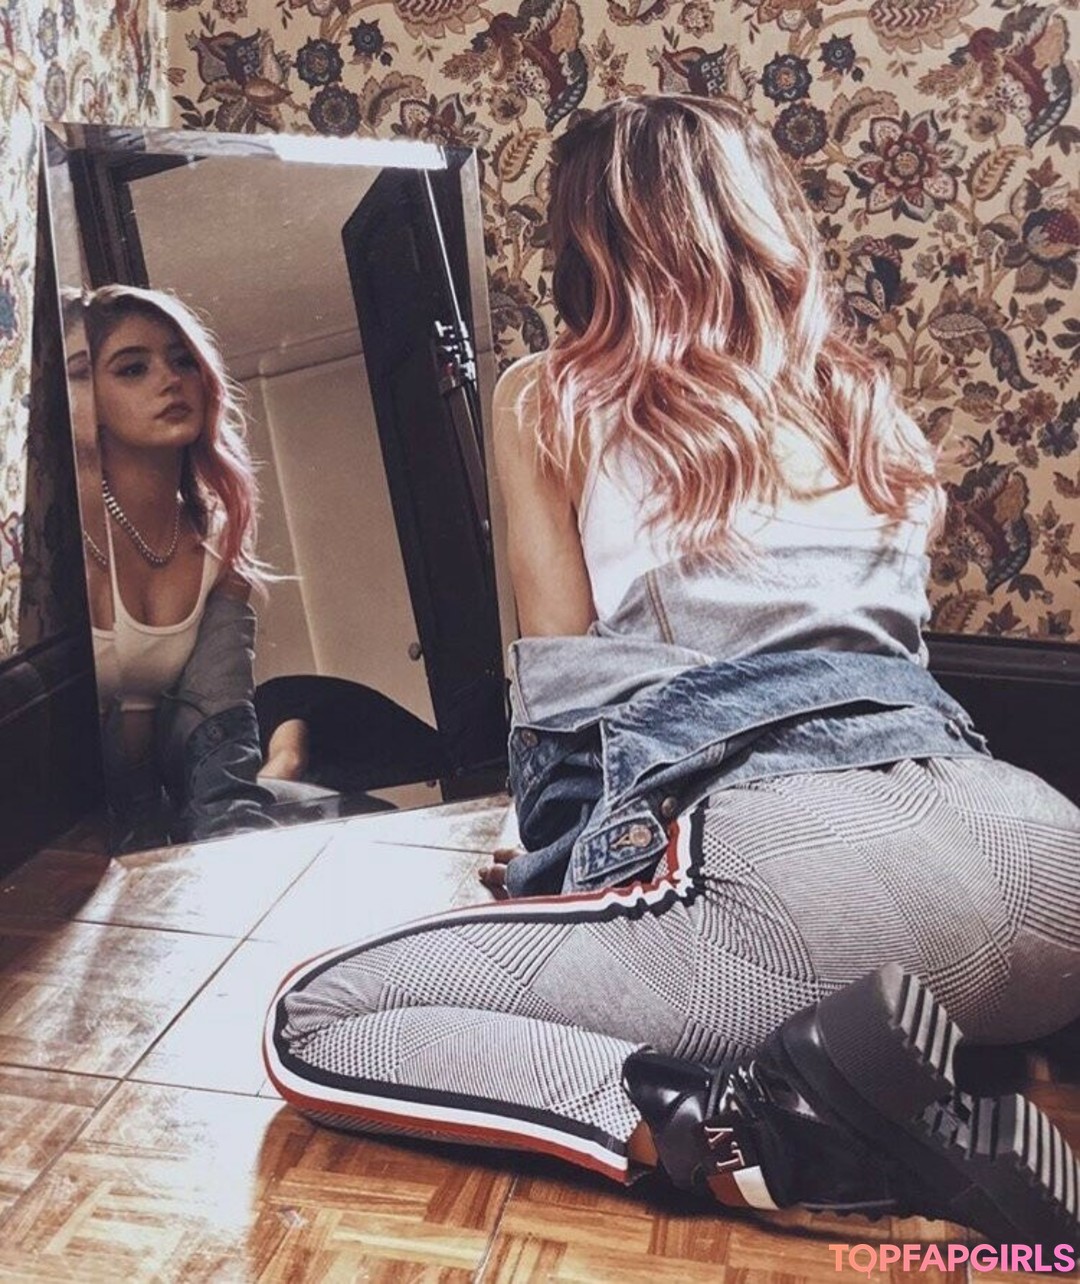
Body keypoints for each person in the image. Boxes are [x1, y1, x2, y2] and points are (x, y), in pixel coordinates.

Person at [263, 97, 1080, 1246]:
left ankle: (751, 1133)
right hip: (1036, 848)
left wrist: (566, 873)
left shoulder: (551, 394)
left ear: (588, 242)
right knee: (943, 944)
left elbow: (566, 704)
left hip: (811, 893)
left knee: (315, 1019)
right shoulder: (865, 404)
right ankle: (994, 1049)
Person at [66, 284, 274, 847]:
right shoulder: (54, 544)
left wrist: (237, 849)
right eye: (133, 369)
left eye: (183, 360)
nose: (170, 379)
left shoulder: (219, 540)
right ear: (88, 401)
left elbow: (223, 727)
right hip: (51, 841)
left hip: (153, 826)